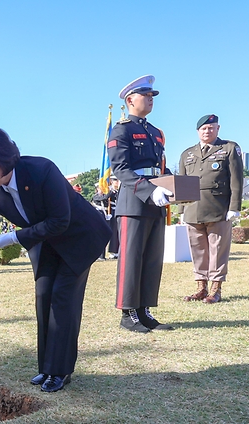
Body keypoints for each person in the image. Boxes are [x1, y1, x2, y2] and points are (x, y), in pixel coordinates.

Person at [0, 127, 110, 393]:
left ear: (3, 157)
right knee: (43, 297)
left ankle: (61, 371)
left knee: (62, 298)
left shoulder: (41, 170)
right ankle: (47, 368)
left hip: (80, 237)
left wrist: (13, 238)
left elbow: (60, 221)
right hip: (46, 242)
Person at [107, 75, 175, 333]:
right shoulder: (121, 130)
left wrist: (171, 189)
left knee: (152, 258)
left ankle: (144, 310)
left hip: (157, 200)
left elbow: (161, 167)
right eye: (145, 95)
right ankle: (127, 313)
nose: (150, 99)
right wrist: (149, 190)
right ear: (130, 100)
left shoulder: (156, 133)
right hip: (134, 201)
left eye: (152, 96)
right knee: (132, 258)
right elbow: (121, 169)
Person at [178, 114, 243, 304]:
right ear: (198, 131)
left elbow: (236, 179)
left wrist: (234, 207)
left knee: (217, 250)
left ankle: (216, 289)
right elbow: (182, 183)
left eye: (211, 128)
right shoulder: (187, 154)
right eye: (204, 129)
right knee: (197, 250)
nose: (207, 131)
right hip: (193, 209)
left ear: (218, 128)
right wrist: (181, 209)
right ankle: (201, 287)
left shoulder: (229, 148)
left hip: (218, 208)